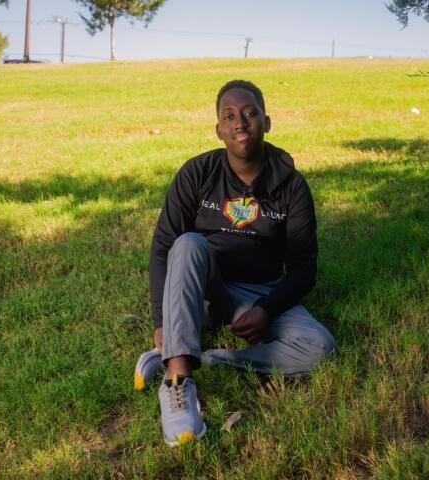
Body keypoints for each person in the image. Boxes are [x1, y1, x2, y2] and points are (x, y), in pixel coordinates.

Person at [134, 79, 336, 447]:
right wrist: (161, 322)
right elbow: (164, 246)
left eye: (249, 113)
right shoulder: (197, 173)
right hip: (203, 286)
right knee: (188, 243)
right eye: (229, 116)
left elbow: (305, 269)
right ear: (219, 130)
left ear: (267, 122)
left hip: (259, 293)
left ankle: (216, 358)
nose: (240, 122)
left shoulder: (291, 186)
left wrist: (266, 308)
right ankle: (177, 381)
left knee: (319, 347)